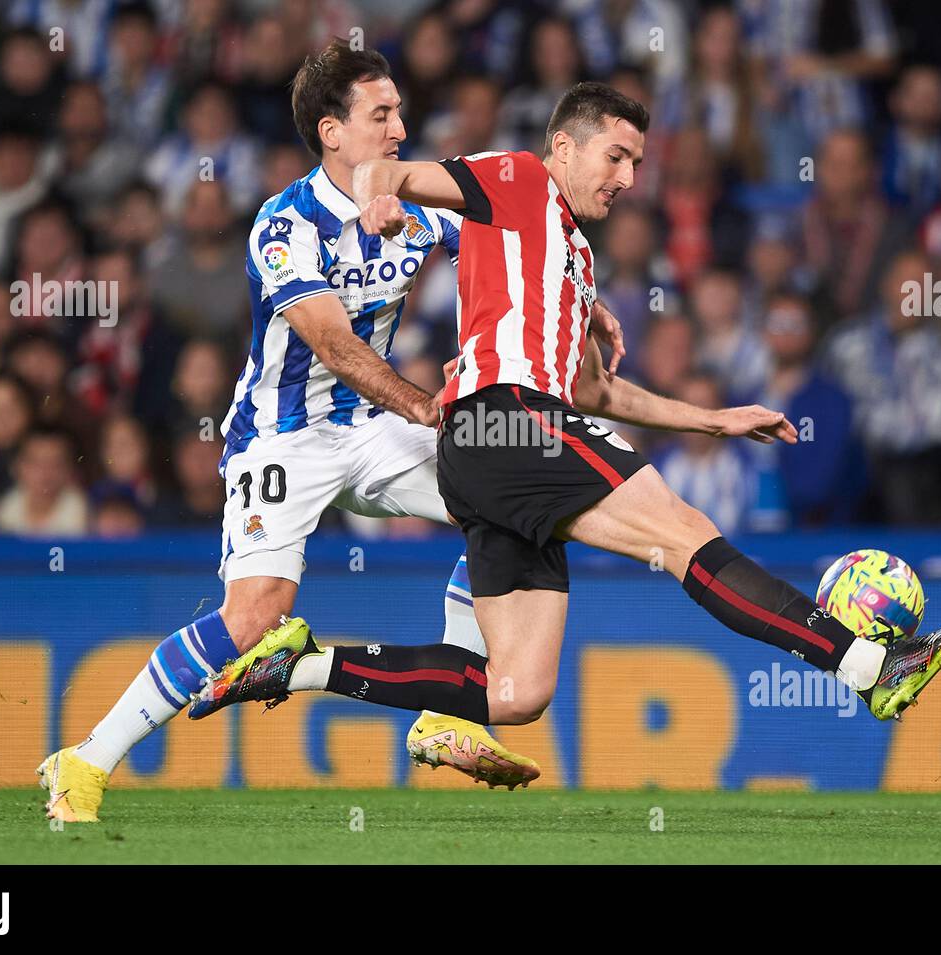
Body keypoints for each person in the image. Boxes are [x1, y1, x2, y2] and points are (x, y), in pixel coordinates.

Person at [189, 82, 941, 749]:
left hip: (483, 452)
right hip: (512, 422)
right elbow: (381, 171)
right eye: (617, 156)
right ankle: (870, 669)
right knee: (685, 538)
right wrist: (375, 204)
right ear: (563, 149)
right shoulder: (517, 178)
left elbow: (599, 394)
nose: (630, 177)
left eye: (638, 162)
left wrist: (712, 420)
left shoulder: (569, 252)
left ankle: (298, 665)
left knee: (513, 691)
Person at [38, 40, 624, 823]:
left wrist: (587, 302)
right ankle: (82, 760)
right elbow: (333, 343)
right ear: (330, 131)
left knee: (505, 499)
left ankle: (447, 714)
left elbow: (521, 239)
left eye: (399, 111)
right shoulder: (284, 225)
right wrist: (421, 405)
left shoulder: (414, 212)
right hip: (283, 436)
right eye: (380, 114)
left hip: (371, 428)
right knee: (255, 615)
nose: (398, 128)